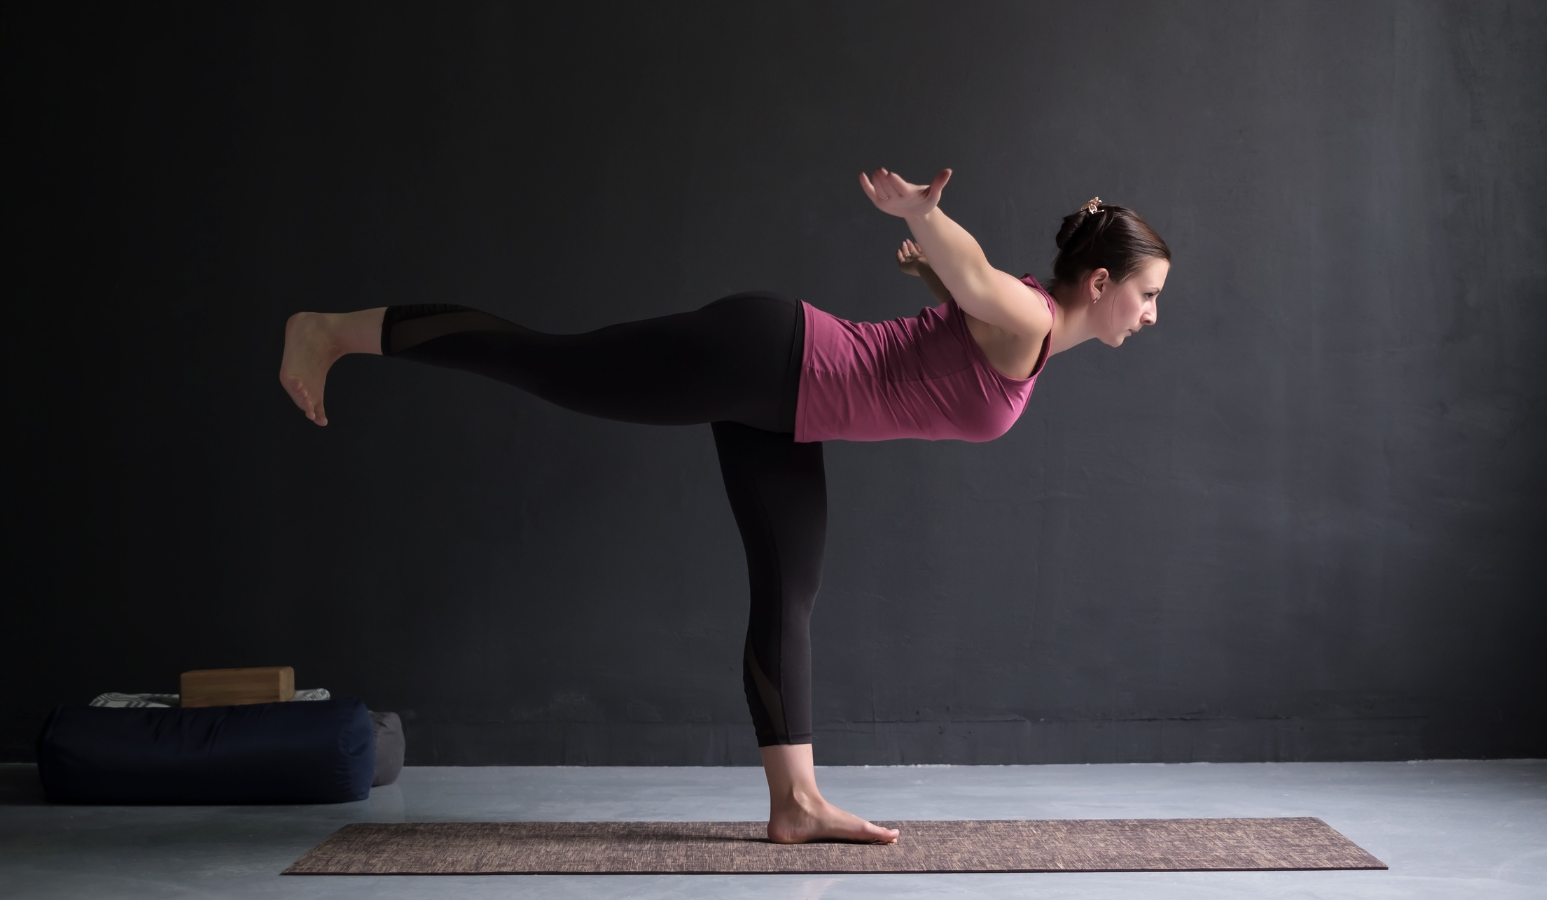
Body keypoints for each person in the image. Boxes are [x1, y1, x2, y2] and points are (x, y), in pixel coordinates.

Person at [278, 168, 1171, 844]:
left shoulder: (1027, 330)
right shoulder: (1022, 314)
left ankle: (797, 803)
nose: (1152, 314)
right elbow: (977, 279)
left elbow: (960, 314)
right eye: (1150, 294)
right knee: (547, 362)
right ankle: (331, 329)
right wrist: (924, 218)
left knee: (791, 589)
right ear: (1101, 283)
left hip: (790, 407)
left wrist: (927, 274)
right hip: (768, 360)